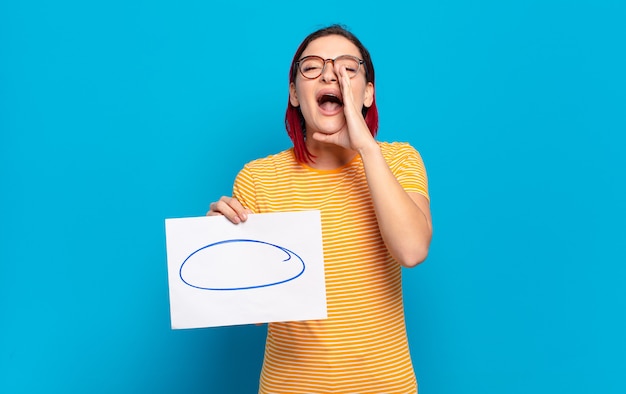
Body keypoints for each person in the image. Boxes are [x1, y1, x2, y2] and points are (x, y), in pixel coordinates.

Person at [207, 24, 432, 394]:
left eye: (348, 67)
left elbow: (411, 250)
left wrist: (367, 149)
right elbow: (250, 315)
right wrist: (220, 250)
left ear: (368, 93)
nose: (330, 74)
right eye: (311, 66)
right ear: (294, 93)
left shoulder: (399, 159)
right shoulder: (258, 178)